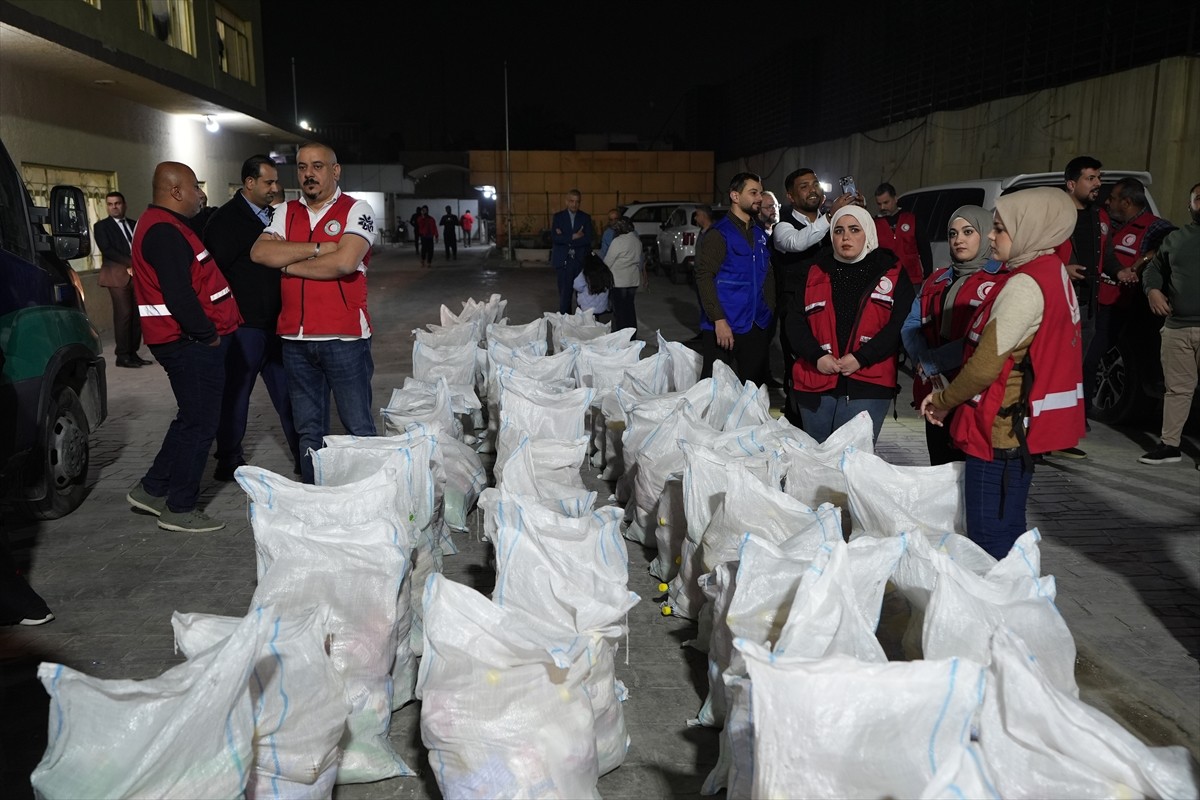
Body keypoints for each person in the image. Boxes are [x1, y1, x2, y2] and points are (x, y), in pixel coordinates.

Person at [920, 187, 1085, 559]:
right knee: (1010, 532)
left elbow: (984, 365)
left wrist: (944, 400)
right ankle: (1021, 606)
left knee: (987, 537)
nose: (991, 237)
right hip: (1018, 431)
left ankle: (1002, 611)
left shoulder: (1024, 287)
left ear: (1028, 230)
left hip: (996, 432)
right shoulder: (1051, 273)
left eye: (999, 229)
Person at [249, 142, 378, 484]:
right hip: (295, 340)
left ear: (335, 171)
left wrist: (288, 266)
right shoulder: (283, 212)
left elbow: (345, 262)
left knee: (359, 429)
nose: (309, 174)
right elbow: (260, 253)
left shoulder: (357, 209)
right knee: (308, 434)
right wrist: (319, 249)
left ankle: (369, 503)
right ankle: (315, 501)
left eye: (318, 166)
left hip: (344, 337)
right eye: (303, 167)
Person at [126, 161, 242, 532]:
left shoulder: (167, 225)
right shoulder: (164, 231)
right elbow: (179, 295)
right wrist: (207, 334)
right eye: (195, 187)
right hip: (188, 343)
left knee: (190, 417)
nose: (200, 195)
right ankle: (180, 508)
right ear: (175, 191)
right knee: (201, 424)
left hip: (185, 340)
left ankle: (152, 488)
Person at [201, 154, 301, 482]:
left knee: (290, 393)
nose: (276, 187)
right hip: (244, 328)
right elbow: (213, 274)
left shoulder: (277, 216)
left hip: (279, 325)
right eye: (269, 182)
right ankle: (228, 459)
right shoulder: (227, 221)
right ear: (250, 183)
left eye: (277, 181)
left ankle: (305, 459)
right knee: (236, 394)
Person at [787, 205, 912, 444]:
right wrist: (817, 357)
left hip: (869, 381)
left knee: (853, 462)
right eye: (839, 231)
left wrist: (862, 357)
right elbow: (794, 320)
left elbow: (899, 325)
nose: (846, 237)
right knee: (815, 462)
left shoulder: (892, 271)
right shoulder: (815, 270)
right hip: (816, 380)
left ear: (868, 233)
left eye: (855, 230)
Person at [901, 205, 1005, 464]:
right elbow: (911, 324)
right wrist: (925, 364)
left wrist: (932, 362)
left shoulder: (1002, 282)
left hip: (974, 393)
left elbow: (986, 339)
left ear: (985, 233)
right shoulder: (936, 280)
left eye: (968, 232)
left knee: (969, 474)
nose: (958, 239)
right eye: (952, 233)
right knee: (939, 467)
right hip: (935, 391)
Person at [1081, 177, 1176, 436]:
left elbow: (1170, 247)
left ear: (1127, 202)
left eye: (1113, 198)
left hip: (1125, 309)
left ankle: (1080, 416)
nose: (1107, 202)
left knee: (1091, 359)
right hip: (1095, 303)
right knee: (1085, 357)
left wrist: (1140, 262)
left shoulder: (1155, 228)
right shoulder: (1109, 224)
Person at [773, 169, 860, 419]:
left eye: (815, 184)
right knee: (800, 366)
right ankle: (797, 420)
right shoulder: (784, 225)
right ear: (790, 196)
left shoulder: (835, 222)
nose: (812, 190)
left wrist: (856, 214)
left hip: (833, 308)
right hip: (797, 311)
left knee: (832, 364)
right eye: (804, 186)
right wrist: (831, 216)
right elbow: (797, 242)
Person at [1138, 182, 1199, 466]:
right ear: (1190, 206)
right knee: (1177, 390)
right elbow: (1154, 268)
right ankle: (1170, 445)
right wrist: (1152, 290)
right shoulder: (1176, 239)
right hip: (1177, 328)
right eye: (1199, 199)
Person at [1053, 155, 1108, 459]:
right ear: (1072, 183)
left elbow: (1106, 253)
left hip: (1087, 308)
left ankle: (1060, 436)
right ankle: (1038, 435)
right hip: (1058, 308)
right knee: (1052, 372)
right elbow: (1033, 255)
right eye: (1091, 178)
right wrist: (1064, 269)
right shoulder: (1055, 215)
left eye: (1099, 177)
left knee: (1073, 374)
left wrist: (1122, 270)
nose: (1098, 183)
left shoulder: (1099, 216)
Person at [695, 172, 774, 382]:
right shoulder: (719, 234)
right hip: (725, 326)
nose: (759, 198)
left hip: (756, 325)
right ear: (735, 196)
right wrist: (718, 320)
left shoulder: (759, 234)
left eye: (761, 192)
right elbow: (704, 277)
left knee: (753, 391)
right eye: (753, 192)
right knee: (716, 391)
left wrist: (769, 311)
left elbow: (767, 276)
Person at [94, 191, 150, 369]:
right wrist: (132, 263)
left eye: (117, 203)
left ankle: (133, 354)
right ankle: (122, 356)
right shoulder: (101, 226)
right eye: (110, 204)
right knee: (124, 314)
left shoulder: (134, 224)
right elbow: (107, 249)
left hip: (137, 275)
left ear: (124, 204)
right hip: (116, 275)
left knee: (136, 315)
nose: (114, 207)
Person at [874, 182, 932, 287]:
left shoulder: (912, 220)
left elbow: (924, 248)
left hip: (912, 279)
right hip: (886, 280)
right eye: (879, 204)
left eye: (886, 202)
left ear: (895, 199)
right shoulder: (874, 224)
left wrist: (928, 273)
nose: (882, 207)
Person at [551, 189, 593, 314]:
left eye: (577, 202)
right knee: (564, 296)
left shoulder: (585, 218)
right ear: (566, 201)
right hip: (563, 262)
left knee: (583, 297)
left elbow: (587, 238)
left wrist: (565, 237)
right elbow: (555, 238)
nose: (574, 204)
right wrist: (574, 236)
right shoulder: (558, 217)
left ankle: (580, 325)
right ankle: (565, 323)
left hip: (580, 262)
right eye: (571, 201)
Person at [604, 216, 645, 333]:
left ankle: (622, 336)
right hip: (633, 281)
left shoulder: (618, 241)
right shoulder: (637, 241)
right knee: (630, 309)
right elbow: (639, 260)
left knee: (620, 312)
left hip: (619, 281)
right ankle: (632, 335)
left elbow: (608, 262)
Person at [573, 253, 612, 317]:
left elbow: (576, 286)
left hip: (586, 308)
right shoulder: (605, 271)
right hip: (603, 307)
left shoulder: (585, 273)